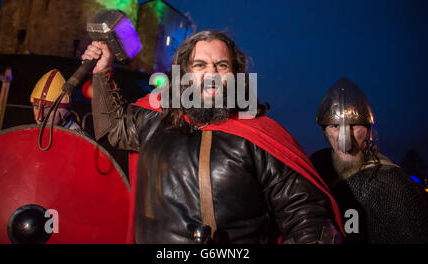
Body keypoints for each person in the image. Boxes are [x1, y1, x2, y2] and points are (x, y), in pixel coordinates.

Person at [82, 30, 344, 244]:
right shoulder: (153, 120)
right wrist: (102, 72)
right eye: (200, 65)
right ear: (184, 74)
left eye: (221, 65)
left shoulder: (259, 136)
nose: (211, 74)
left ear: (235, 75)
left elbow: (308, 216)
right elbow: (113, 128)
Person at [311, 77, 428, 243]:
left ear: (368, 130)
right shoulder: (318, 167)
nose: (345, 140)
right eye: (335, 126)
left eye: (354, 125)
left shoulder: (395, 186)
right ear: (324, 131)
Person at [30, 69, 87, 136]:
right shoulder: (32, 134)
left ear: (65, 112)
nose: (40, 117)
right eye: (36, 106)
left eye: (48, 108)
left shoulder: (78, 139)